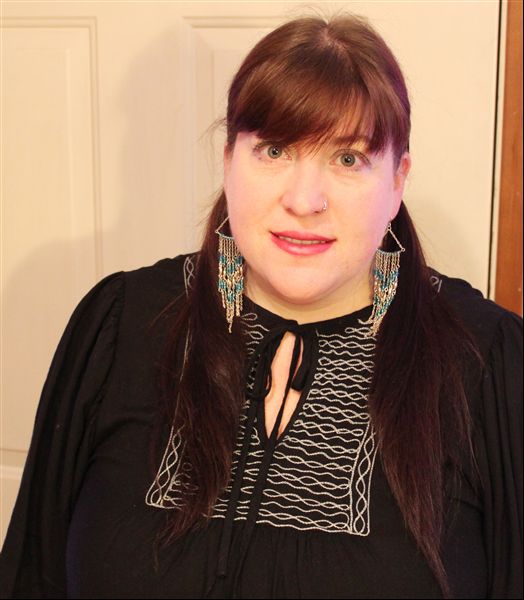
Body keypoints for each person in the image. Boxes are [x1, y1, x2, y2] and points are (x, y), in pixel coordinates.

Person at [0, 13, 522, 600]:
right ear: (229, 160)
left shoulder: (487, 361)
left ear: (398, 180)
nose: (304, 200)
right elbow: (32, 575)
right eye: (274, 150)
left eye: (349, 159)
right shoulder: (120, 324)